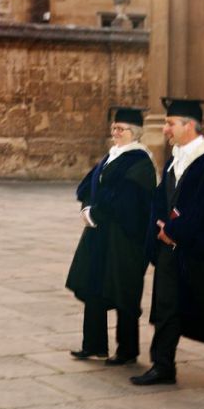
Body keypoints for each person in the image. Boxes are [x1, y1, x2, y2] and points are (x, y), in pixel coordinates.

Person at [130, 98, 204, 388]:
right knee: (166, 306)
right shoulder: (175, 158)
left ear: (189, 125)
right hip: (171, 249)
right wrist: (159, 227)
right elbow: (162, 197)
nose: (165, 129)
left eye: (170, 123)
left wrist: (175, 230)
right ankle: (163, 366)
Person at [65, 107, 156, 366]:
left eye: (121, 129)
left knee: (124, 290)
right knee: (94, 285)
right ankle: (93, 345)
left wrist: (97, 212)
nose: (115, 133)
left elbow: (128, 201)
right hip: (100, 234)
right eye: (114, 128)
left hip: (125, 238)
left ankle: (127, 351)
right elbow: (87, 186)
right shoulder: (111, 156)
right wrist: (87, 208)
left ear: (135, 132)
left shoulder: (140, 161)